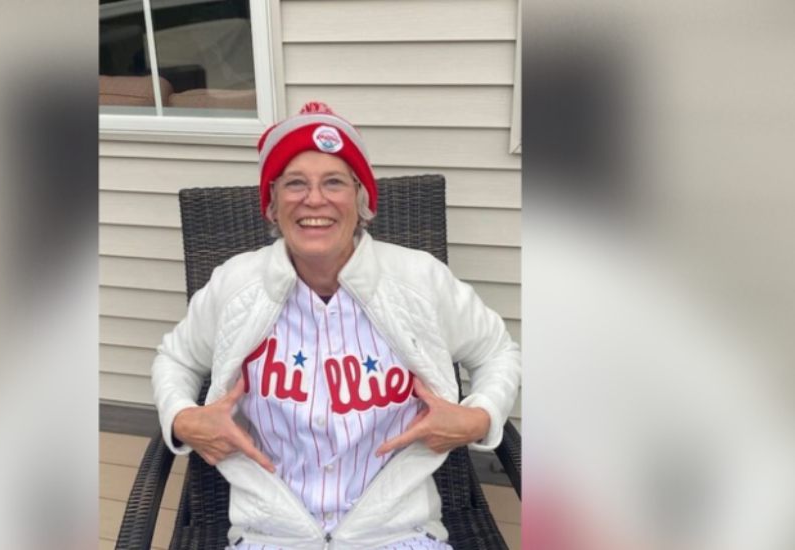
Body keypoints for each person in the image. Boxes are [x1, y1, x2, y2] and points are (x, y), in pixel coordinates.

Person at [152, 102, 521, 549]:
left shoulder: (418, 279)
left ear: (361, 200)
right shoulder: (235, 285)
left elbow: (497, 351)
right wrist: (182, 417)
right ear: (270, 205)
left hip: (398, 533)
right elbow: (176, 358)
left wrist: (479, 416)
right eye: (294, 184)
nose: (314, 199)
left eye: (334, 182)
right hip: (271, 534)